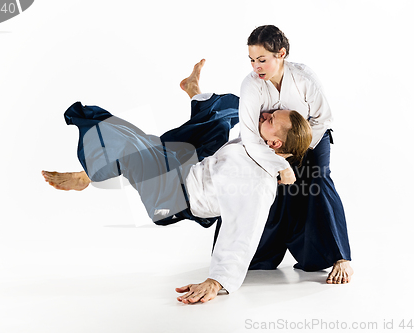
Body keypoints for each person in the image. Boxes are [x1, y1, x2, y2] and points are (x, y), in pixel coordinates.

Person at [42, 60, 313, 304]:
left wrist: (218, 281)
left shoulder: (256, 185)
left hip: (173, 196)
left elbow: (244, 233)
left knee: (126, 140)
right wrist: (283, 165)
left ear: (275, 142)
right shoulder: (260, 144)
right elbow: (256, 113)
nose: (265, 115)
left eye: (270, 120)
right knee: (224, 115)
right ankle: (193, 90)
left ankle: (87, 175)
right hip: (195, 165)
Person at [236, 25, 353, 284]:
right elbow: (249, 137)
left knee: (317, 181)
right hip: (267, 146)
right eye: (252, 60)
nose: (256, 66)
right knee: (269, 188)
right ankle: (253, 255)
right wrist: (280, 163)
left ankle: (339, 257)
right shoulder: (251, 85)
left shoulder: (303, 78)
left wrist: (300, 150)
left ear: (281, 54)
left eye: (262, 59)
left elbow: (324, 118)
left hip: (311, 138)